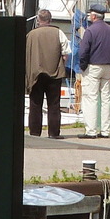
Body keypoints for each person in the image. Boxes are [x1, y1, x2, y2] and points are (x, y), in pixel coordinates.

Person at [77, 5, 110, 138]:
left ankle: (91, 131)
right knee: (106, 99)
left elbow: (83, 52)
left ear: (94, 16)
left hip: (93, 67)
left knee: (91, 98)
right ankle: (105, 131)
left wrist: (83, 66)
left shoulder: (90, 31)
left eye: (90, 14)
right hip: (107, 67)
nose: (90, 16)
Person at [25, 9, 66, 138]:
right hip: (55, 74)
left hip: (36, 74)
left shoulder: (31, 35)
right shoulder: (59, 33)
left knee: (35, 104)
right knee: (54, 104)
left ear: (38, 20)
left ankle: (34, 133)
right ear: (50, 19)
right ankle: (54, 133)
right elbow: (65, 54)